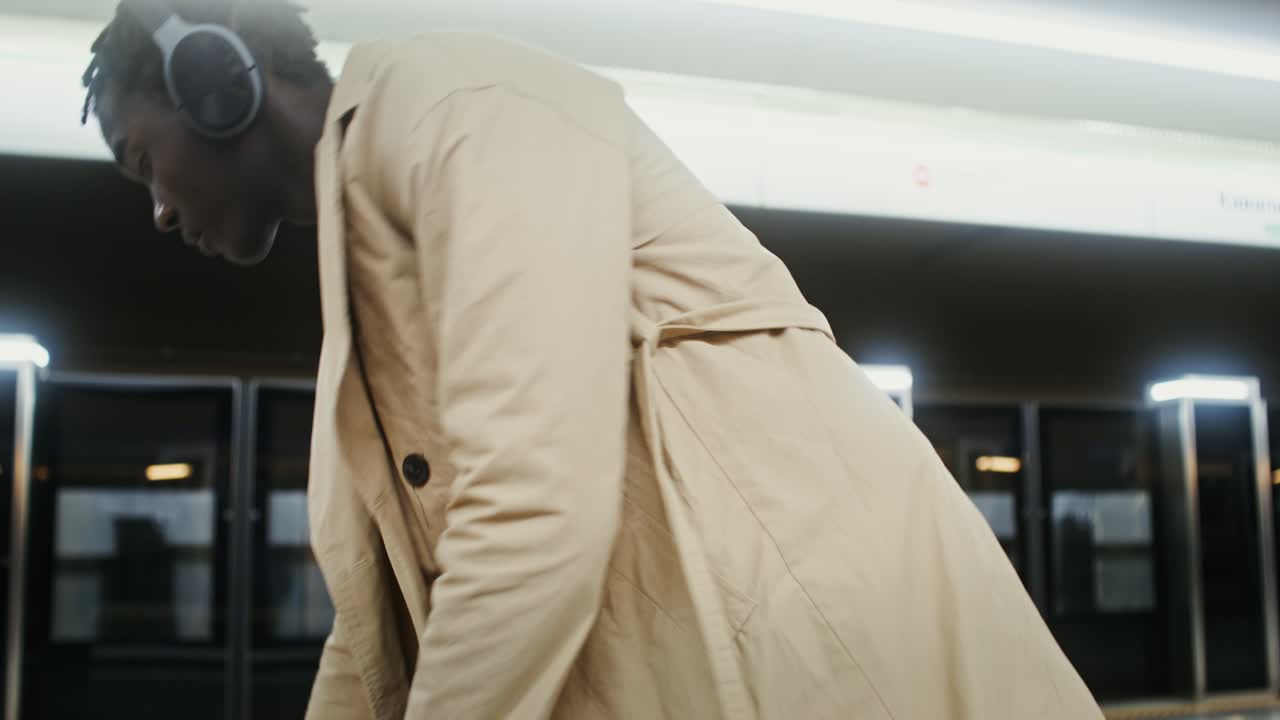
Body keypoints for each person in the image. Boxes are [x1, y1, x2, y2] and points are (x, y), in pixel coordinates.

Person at [82, 1, 1102, 718]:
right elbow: (371, 643)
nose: (161, 210)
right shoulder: (364, 289)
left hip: (830, 658)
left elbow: (534, 509)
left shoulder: (461, 106)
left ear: (214, 82)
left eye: (142, 163)